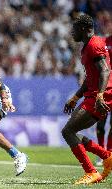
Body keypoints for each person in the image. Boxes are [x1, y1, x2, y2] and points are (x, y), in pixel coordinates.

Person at [62, 14, 112, 185]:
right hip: (94, 94)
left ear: (83, 29)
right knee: (71, 131)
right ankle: (106, 156)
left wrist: (99, 95)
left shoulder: (95, 45)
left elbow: (105, 71)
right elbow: (91, 77)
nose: (72, 33)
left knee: (67, 132)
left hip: (100, 96)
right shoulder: (87, 46)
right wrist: (76, 97)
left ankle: (91, 171)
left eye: (74, 29)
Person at [95, 35, 112, 166]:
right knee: (100, 125)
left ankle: (110, 152)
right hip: (105, 88)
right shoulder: (104, 42)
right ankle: (101, 153)